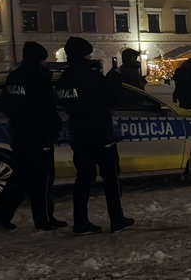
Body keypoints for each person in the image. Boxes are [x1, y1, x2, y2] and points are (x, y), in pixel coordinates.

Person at [56, 36, 133, 234]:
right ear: (85, 53)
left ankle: (80, 221)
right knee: (110, 176)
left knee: (83, 178)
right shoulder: (91, 73)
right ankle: (117, 218)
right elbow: (110, 98)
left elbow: (68, 103)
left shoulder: (65, 77)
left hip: (79, 133)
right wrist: (114, 77)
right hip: (99, 131)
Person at [0, 42, 66, 231]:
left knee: (20, 178)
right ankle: (44, 219)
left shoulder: (14, 77)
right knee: (43, 180)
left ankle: (2, 215)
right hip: (39, 136)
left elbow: (5, 105)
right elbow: (47, 108)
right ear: (40, 59)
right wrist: (54, 127)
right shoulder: (39, 78)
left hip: (19, 135)